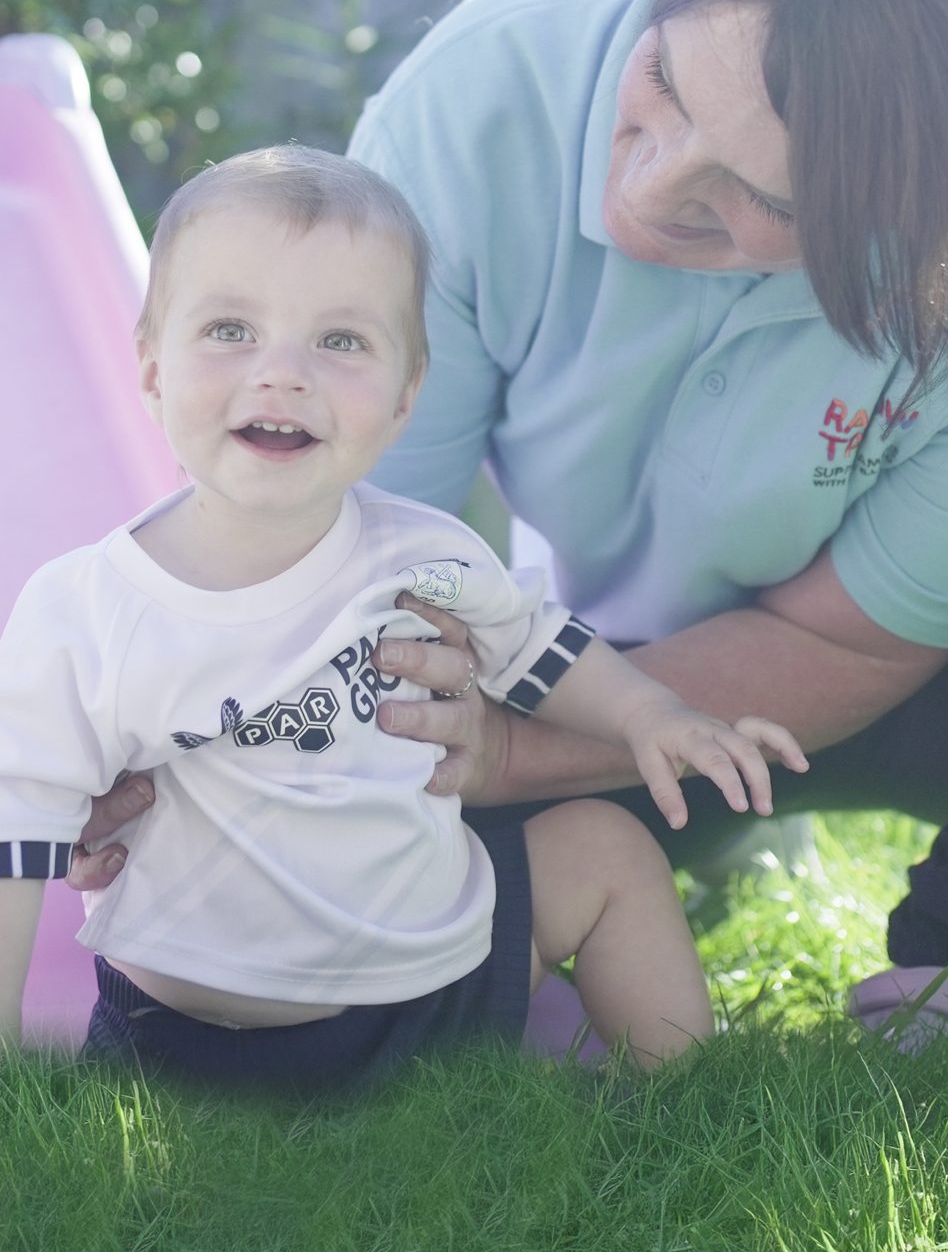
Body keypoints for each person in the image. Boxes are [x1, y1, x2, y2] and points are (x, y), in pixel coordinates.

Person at [74, 0, 948, 1047]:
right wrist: (185, 731)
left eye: (759, 205)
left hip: (922, 683)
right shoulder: (490, 90)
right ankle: (683, 830)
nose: (642, 199)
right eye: (660, 83)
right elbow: (341, 536)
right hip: (586, 665)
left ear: (934, 215)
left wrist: (517, 761)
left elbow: (850, 647)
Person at [0, 146, 806, 1091]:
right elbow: (19, 832)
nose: (282, 374)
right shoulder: (87, 608)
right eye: (229, 329)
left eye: (340, 342)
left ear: (404, 397)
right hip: (189, 1030)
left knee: (607, 847)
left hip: (428, 993)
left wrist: (650, 717)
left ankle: (682, 1110)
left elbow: (541, 649)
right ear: (150, 371)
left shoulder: (426, 553)